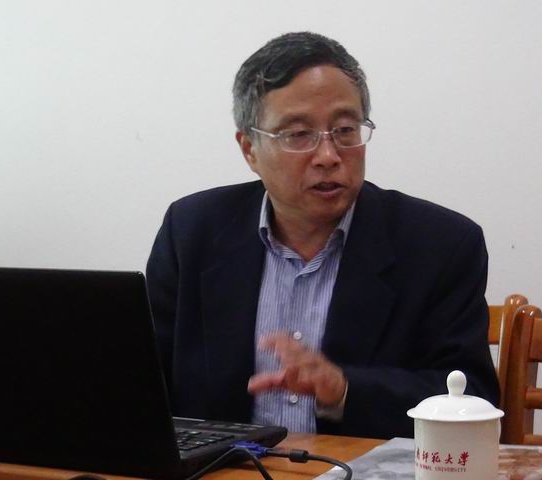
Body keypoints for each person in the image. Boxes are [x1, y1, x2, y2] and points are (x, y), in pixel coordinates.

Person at [146, 31, 499, 439]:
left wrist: (345, 391)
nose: (329, 156)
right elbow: (139, 381)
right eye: (299, 134)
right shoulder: (192, 231)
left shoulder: (441, 245)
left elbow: (475, 400)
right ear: (249, 150)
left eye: (345, 130)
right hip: (228, 466)